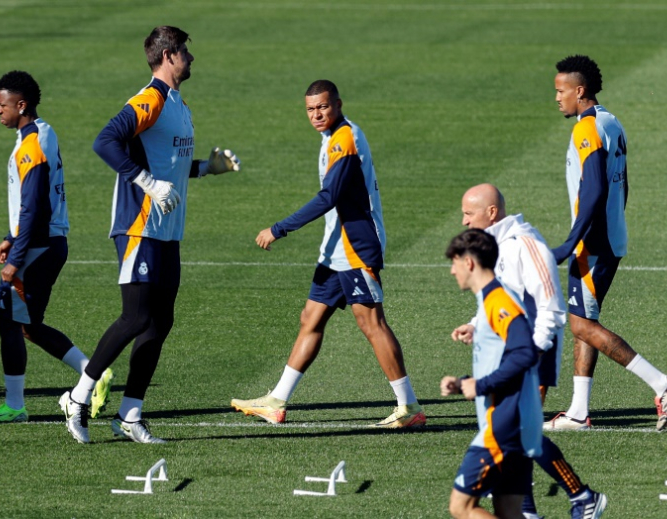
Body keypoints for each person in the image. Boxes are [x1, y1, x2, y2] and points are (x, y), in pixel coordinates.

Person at [60, 26, 240, 444]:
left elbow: (168, 164)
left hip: (167, 231)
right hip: (139, 226)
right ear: (169, 55)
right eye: (186, 52)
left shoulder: (178, 103)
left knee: (159, 322)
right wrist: (145, 182)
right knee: (136, 316)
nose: (192, 59)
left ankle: (130, 414)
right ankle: (78, 396)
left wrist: (205, 169)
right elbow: (104, 142)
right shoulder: (150, 98)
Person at [230, 80, 424, 428]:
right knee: (311, 318)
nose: (317, 114)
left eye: (323, 106)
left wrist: (278, 228)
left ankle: (409, 407)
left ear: (337, 103)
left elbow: (329, 196)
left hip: (355, 249)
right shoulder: (331, 139)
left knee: (372, 323)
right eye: (310, 109)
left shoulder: (345, 139)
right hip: (335, 250)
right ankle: (277, 402)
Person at [445, 184, 606, 519]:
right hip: (512, 354)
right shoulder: (492, 247)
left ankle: (580, 496)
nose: (463, 220)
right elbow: (500, 299)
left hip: (531, 352)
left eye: (468, 213)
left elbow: (551, 309)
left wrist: (528, 354)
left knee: (520, 434)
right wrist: (478, 325)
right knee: (521, 439)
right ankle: (532, 508)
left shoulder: (526, 243)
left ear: (491, 213)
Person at [546, 54, 667, 432]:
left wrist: (570, 242)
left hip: (593, 243)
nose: (557, 98)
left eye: (560, 91)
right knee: (584, 320)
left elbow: (594, 188)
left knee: (581, 325)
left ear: (579, 90)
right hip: (609, 235)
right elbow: (622, 184)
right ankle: (577, 412)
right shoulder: (612, 122)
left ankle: (662, 383)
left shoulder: (586, 128)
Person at [0, 71, 113, 424]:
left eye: (1, 105)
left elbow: (35, 206)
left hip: (37, 247)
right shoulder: (42, 133)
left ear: (20, 105)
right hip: (45, 242)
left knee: (9, 320)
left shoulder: (32, 144)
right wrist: (11, 234)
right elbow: (33, 200)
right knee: (27, 325)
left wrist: (16, 257)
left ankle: (17, 405)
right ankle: (91, 373)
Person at [442, 228, 542, 519]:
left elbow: (525, 352)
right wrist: (463, 383)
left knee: (460, 507)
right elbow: (504, 358)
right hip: (519, 424)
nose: (452, 271)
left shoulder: (498, 300)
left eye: (455, 262)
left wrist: (481, 385)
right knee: (509, 513)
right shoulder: (490, 301)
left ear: (469, 263)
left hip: (503, 425)